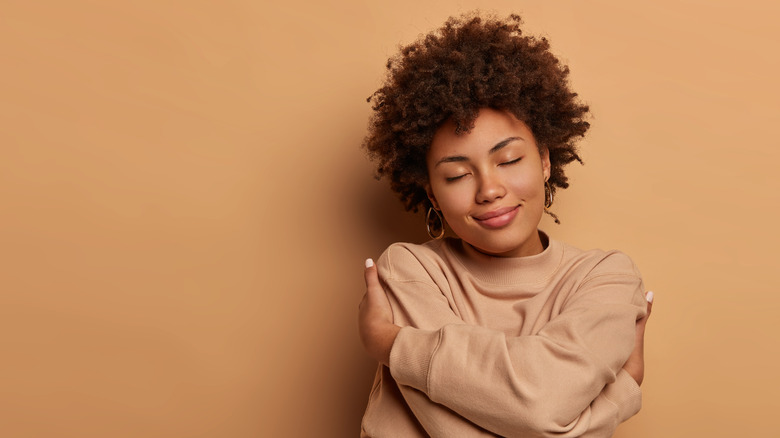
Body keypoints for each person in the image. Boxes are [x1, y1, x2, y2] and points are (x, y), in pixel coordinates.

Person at [357, 13, 654, 438]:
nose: (489, 189)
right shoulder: (408, 270)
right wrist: (620, 393)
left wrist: (391, 344)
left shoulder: (605, 277)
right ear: (431, 193)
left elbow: (539, 406)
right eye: (457, 175)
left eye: (509, 159)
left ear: (546, 159)